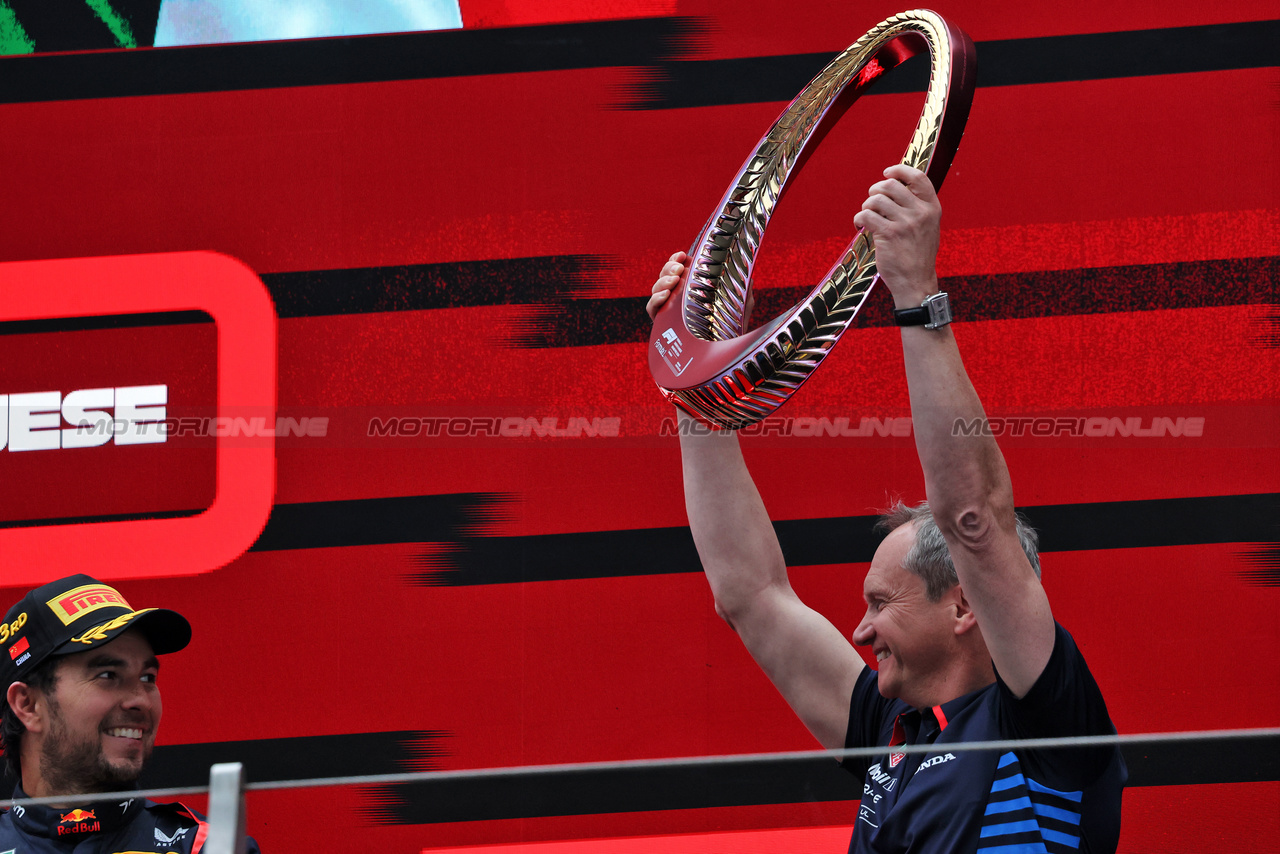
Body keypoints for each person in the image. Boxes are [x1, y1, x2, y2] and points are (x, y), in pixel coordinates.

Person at [648, 165, 1125, 852]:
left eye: (881, 602)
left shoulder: (1045, 722)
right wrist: (694, 389)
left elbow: (976, 520)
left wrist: (915, 293)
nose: (861, 630)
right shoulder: (894, 724)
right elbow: (749, 594)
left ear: (964, 606)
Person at [0, 574, 261, 852]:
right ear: (27, 704)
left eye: (147, 678)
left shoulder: (206, 848)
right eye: (108, 675)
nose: (141, 701)